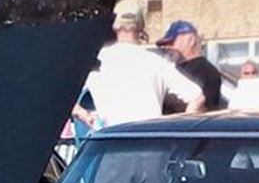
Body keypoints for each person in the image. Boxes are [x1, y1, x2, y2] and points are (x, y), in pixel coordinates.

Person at [75, 10, 204, 128]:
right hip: (148, 142)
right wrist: (183, 129)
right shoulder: (156, 62)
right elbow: (197, 97)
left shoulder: (96, 60)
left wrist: (84, 115)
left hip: (110, 145)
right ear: (141, 27)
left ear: (115, 26)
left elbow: (61, 95)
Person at [156, 20, 224, 109]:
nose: (167, 47)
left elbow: (206, 111)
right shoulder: (169, 69)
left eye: (171, 42)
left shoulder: (207, 72)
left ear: (191, 40)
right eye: (164, 44)